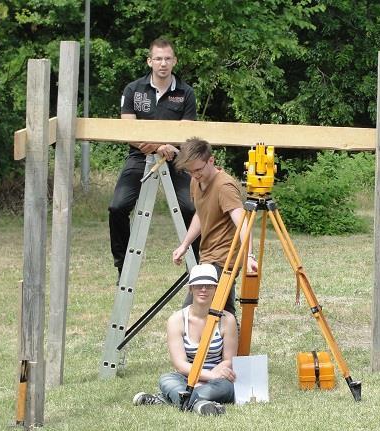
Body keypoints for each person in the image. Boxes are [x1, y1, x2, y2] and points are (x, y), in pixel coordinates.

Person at [109, 37, 198, 280]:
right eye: (158, 58)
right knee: (117, 207)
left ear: (174, 61)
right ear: (150, 61)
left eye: (168, 58)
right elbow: (128, 131)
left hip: (176, 157)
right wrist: (157, 147)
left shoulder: (186, 92)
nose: (163, 63)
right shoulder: (133, 90)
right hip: (140, 155)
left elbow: (187, 133)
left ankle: (198, 268)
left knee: (191, 207)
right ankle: (122, 266)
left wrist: (169, 146)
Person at [133, 264, 237, 415]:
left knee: (228, 387)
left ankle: (168, 400)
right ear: (191, 289)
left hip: (217, 379)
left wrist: (208, 379)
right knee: (166, 379)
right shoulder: (176, 320)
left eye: (209, 286)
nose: (203, 289)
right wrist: (204, 378)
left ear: (216, 289)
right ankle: (198, 404)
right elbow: (180, 364)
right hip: (187, 377)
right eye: (198, 285)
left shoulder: (227, 319)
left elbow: (229, 360)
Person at [171, 137, 258, 317]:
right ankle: (233, 345)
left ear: (211, 160)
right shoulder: (196, 180)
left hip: (224, 258)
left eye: (198, 170)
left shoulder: (224, 186)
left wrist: (249, 255)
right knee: (223, 311)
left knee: (194, 311)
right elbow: (201, 215)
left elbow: (242, 222)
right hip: (207, 256)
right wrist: (184, 245)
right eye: (190, 171)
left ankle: (227, 344)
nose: (195, 175)